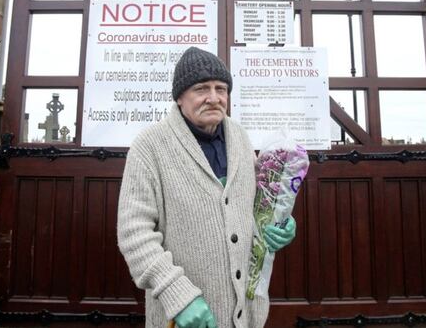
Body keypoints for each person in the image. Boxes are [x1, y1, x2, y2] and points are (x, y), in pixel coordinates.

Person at [117, 47, 297, 328]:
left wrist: (278, 224)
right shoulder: (149, 146)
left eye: (221, 89)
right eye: (201, 89)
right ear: (179, 97)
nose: (214, 98)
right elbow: (134, 233)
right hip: (183, 317)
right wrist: (179, 297)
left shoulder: (239, 136)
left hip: (247, 315)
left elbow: (255, 203)